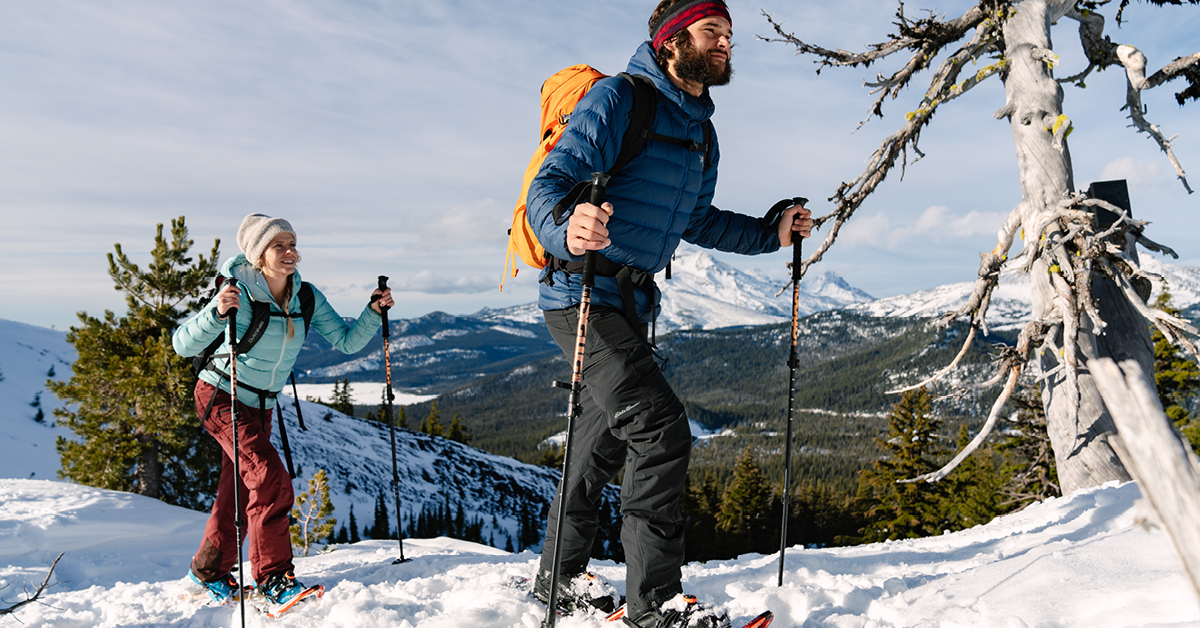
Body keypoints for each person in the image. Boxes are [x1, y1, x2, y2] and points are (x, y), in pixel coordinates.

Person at [526, 1, 813, 626]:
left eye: (729, 35)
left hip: (631, 303)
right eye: (712, 31)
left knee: (598, 445)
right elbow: (546, 188)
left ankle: (558, 579)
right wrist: (567, 227)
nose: (725, 43)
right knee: (659, 429)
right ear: (670, 41)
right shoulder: (617, 100)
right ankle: (654, 605)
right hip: (579, 294)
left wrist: (770, 233)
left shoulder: (702, 133)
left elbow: (697, 220)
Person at [172, 213, 392, 613]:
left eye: (292, 244)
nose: (290, 252)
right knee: (270, 480)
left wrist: (373, 311)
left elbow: (345, 342)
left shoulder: (305, 296)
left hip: (262, 405)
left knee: (240, 488)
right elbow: (182, 345)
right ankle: (273, 579)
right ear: (259, 254)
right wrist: (215, 314)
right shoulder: (235, 292)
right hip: (221, 395)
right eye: (279, 245)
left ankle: (208, 572)